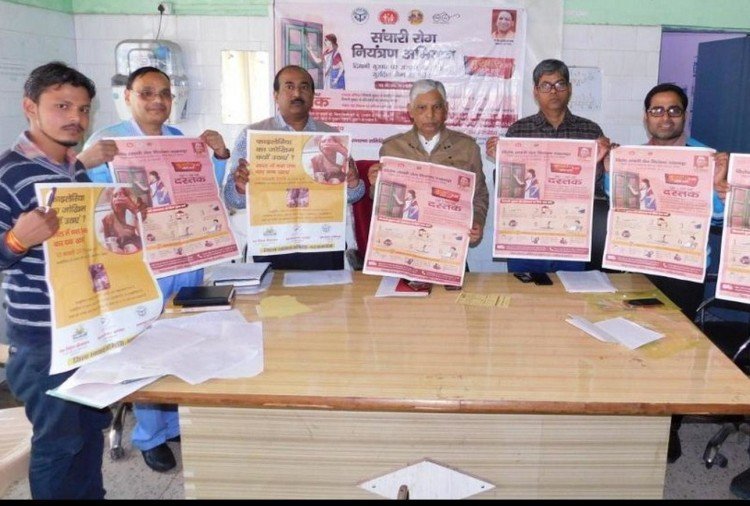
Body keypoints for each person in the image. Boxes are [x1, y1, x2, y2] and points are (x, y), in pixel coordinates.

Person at [78, 65, 231, 473]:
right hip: (138, 264)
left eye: (165, 93)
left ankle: (175, 421)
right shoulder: (106, 143)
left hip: (182, 257)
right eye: (147, 92)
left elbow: (205, 190)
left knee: (181, 342)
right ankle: (150, 436)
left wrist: (217, 156)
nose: (158, 100)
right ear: (128, 96)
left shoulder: (179, 139)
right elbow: (85, 200)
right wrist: (84, 163)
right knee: (143, 350)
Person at [0, 62, 112, 499]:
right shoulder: (8, 173)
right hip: (42, 339)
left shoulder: (73, 170)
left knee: (88, 434)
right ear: (30, 107)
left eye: (82, 109)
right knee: (58, 443)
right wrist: (15, 240)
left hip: (85, 328)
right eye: (62, 106)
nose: (76, 118)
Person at [223, 65, 365, 270]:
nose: (297, 93)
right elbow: (232, 199)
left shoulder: (331, 136)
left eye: (304, 87)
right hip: (273, 243)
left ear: (313, 96)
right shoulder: (253, 136)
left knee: (329, 292)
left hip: (322, 243)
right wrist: (240, 187)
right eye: (289, 87)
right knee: (273, 292)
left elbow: (353, 196)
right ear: (276, 95)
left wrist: (352, 183)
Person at [486, 59, 611, 273]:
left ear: (569, 88)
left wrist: (604, 161)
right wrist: (500, 160)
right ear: (536, 91)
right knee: (524, 291)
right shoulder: (518, 131)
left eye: (559, 84)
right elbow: (506, 189)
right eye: (545, 85)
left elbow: (598, 187)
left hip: (571, 236)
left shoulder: (590, 131)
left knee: (570, 292)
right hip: (526, 237)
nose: (553, 91)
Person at [368, 79, 489, 250]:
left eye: (436, 107)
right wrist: (376, 186)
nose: (430, 115)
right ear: (410, 110)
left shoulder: (467, 148)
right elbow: (383, 203)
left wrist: (477, 220)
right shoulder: (392, 148)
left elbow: (480, 194)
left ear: (446, 109)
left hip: (447, 245)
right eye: (422, 108)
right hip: (404, 245)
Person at [100, 187, 146, 253]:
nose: (118, 198)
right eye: (115, 196)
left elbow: (143, 235)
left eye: (121, 195)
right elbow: (107, 240)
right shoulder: (107, 218)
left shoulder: (132, 213)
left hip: (133, 242)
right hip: (117, 245)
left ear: (128, 199)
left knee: (131, 248)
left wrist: (133, 208)